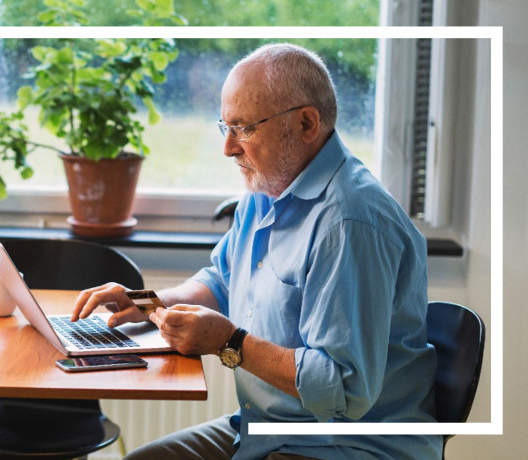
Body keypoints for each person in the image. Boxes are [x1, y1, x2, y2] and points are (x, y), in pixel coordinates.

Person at [71, 43, 442, 460]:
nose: (229, 148)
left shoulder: (349, 222)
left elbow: (343, 387)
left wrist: (229, 342)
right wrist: (145, 303)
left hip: (348, 445)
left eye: (244, 128)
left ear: (305, 123)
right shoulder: (268, 189)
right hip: (263, 430)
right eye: (225, 127)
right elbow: (221, 279)